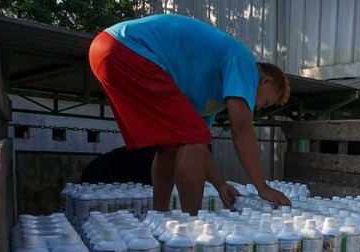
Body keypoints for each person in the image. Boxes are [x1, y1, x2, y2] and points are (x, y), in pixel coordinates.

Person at [88, 14, 291, 214]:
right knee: (193, 139)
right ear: (266, 82)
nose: (256, 108)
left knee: (170, 145)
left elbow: (199, 147)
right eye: (264, 102)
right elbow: (241, 128)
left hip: (106, 50)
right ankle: (190, 228)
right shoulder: (244, 61)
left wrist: (220, 184)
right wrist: (262, 187)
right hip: (128, 49)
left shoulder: (212, 96)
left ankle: (160, 216)